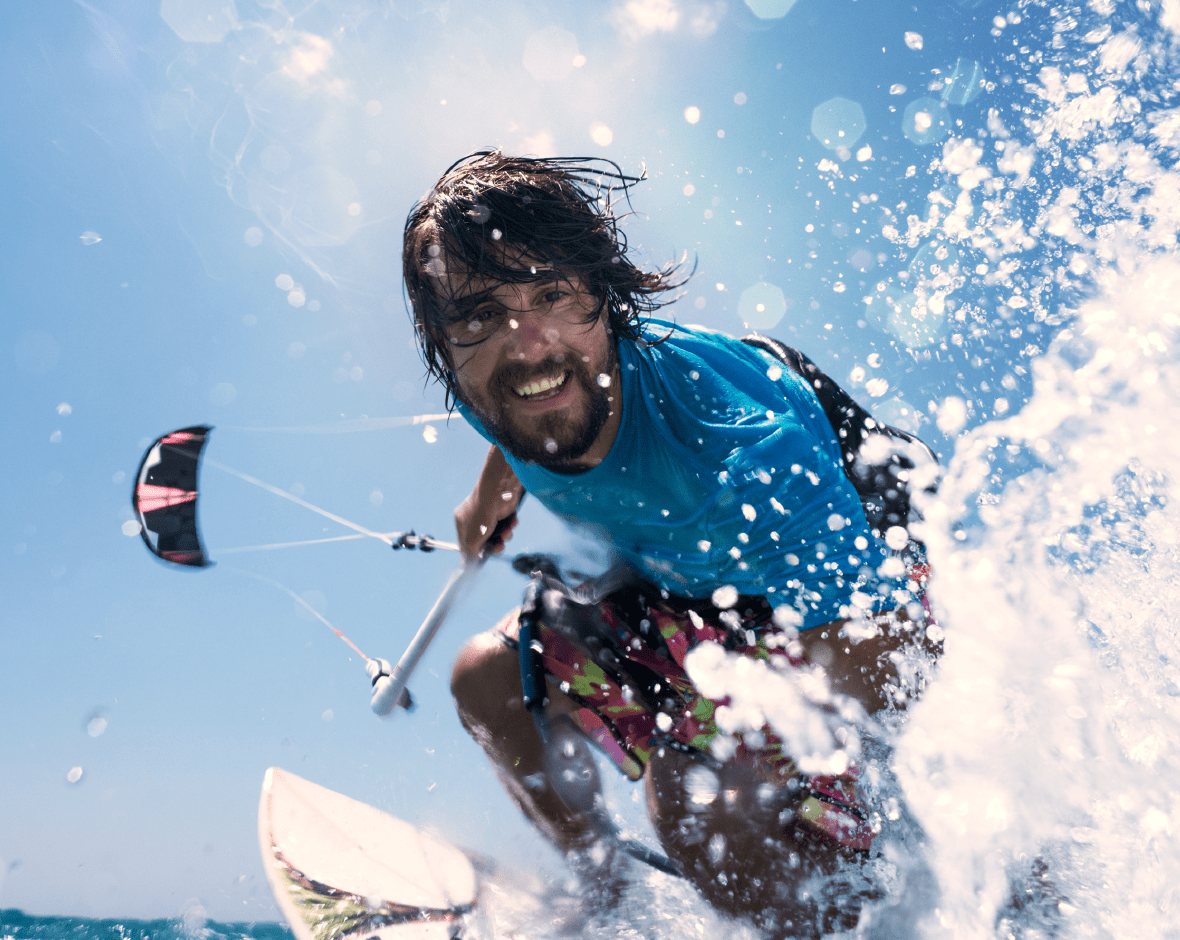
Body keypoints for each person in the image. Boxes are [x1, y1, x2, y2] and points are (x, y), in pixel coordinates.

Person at [399, 152, 940, 937]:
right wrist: (485, 504)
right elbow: (510, 439)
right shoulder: (502, 391)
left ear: (606, 302)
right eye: (479, 315)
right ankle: (608, 896)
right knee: (485, 682)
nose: (526, 346)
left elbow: (898, 665)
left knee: (698, 811)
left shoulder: (743, 455)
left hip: (850, 579)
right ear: (443, 345)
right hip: (678, 581)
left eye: (553, 293)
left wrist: (780, 770)